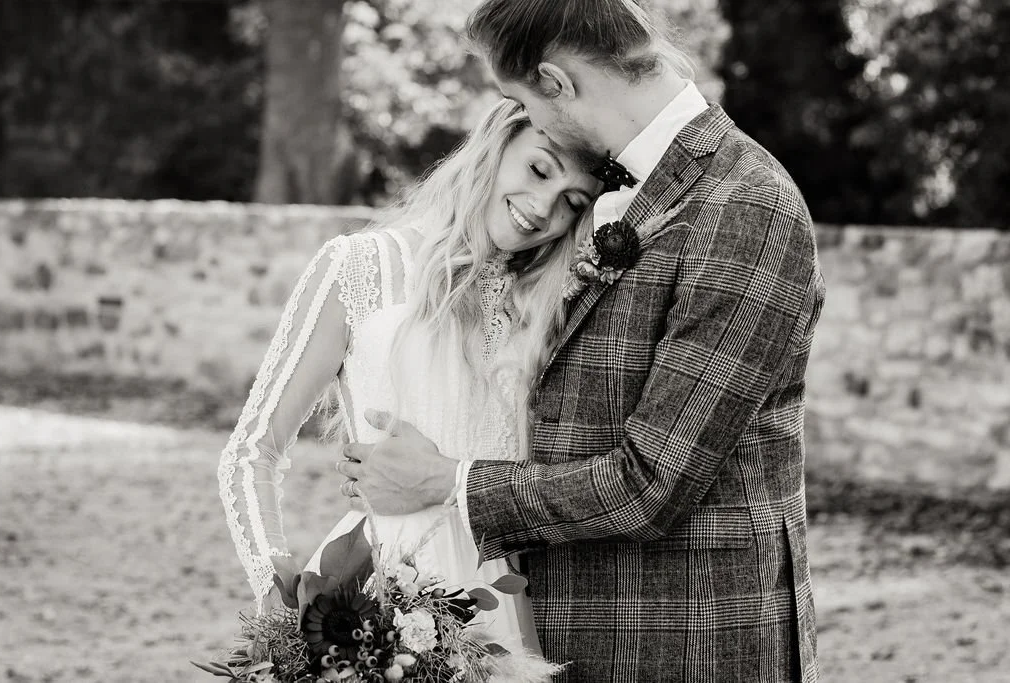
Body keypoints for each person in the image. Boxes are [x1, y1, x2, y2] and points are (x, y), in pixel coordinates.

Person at [337, 0, 827, 680]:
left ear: (557, 82)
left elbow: (651, 482)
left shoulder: (745, 205)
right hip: (558, 633)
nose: (529, 125)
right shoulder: (622, 192)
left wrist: (446, 480)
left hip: (684, 644)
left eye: (522, 101)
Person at [217, 99, 600, 652]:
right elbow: (253, 450)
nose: (542, 209)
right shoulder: (360, 268)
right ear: (496, 146)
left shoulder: (550, 309)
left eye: (572, 202)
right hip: (374, 601)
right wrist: (279, 597)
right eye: (538, 170)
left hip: (504, 609)